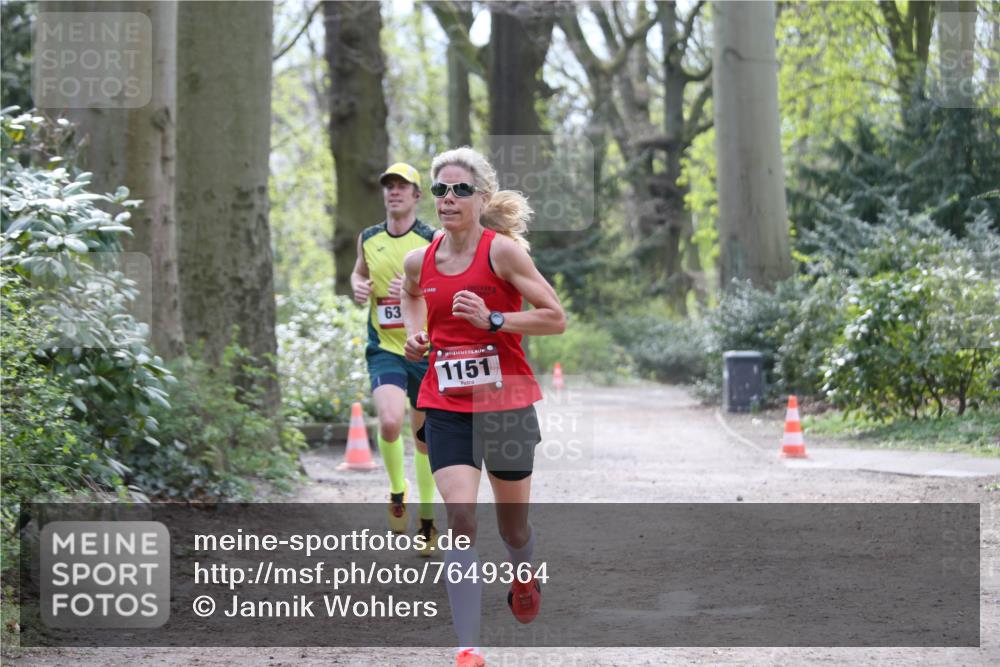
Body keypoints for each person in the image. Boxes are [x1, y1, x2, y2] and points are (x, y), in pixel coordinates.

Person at [400, 147, 566, 667]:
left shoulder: (503, 255)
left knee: (512, 529)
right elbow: (408, 295)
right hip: (446, 403)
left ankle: (523, 573)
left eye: (460, 190)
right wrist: (414, 335)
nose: (448, 199)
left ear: (482, 198)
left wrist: (495, 320)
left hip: (508, 402)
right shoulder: (418, 259)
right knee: (461, 516)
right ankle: (468, 648)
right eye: (441, 190)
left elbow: (554, 317)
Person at [351, 162, 441, 555]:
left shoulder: (432, 240)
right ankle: (396, 491)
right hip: (384, 348)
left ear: (417, 195)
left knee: (423, 441)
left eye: (403, 187)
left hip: (422, 348)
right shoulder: (369, 238)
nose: (394, 192)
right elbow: (358, 275)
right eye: (389, 186)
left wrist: (417, 289)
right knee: (389, 421)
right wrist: (358, 286)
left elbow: (445, 288)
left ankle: (427, 519)